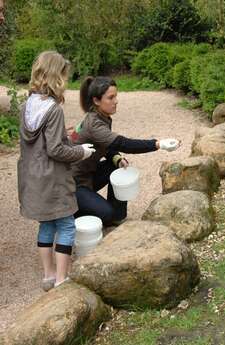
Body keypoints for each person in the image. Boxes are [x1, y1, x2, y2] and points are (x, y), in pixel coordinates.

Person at [17, 51, 95, 291]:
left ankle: (48, 275)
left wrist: (62, 133)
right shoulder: (53, 110)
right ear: (56, 76)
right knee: (66, 225)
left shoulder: (26, 105)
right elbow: (55, 150)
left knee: (47, 224)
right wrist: (81, 151)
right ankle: (62, 279)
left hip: (32, 178)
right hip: (52, 179)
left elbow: (41, 142)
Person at [71, 76, 180, 226]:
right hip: (72, 185)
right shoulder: (94, 124)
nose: (116, 101)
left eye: (116, 96)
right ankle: (73, 212)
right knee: (106, 214)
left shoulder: (101, 116)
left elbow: (106, 145)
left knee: (117, 166)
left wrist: (116, 158)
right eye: (111, 97)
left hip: (87, 176)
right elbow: (123, 144)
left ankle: (116, 216)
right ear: (96, 100)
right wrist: (157, 144)